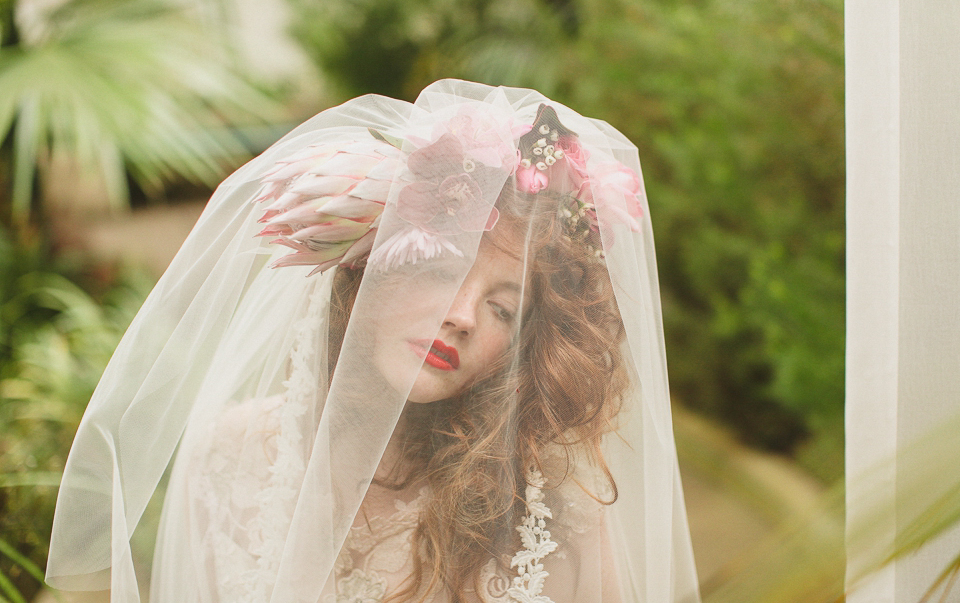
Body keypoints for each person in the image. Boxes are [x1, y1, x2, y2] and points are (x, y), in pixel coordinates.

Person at [46, 80, 700, 602]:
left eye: (504, 308)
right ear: (361, 266)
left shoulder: (553, 526)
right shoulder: (228, 458)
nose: (463, 315)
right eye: (442, 270)